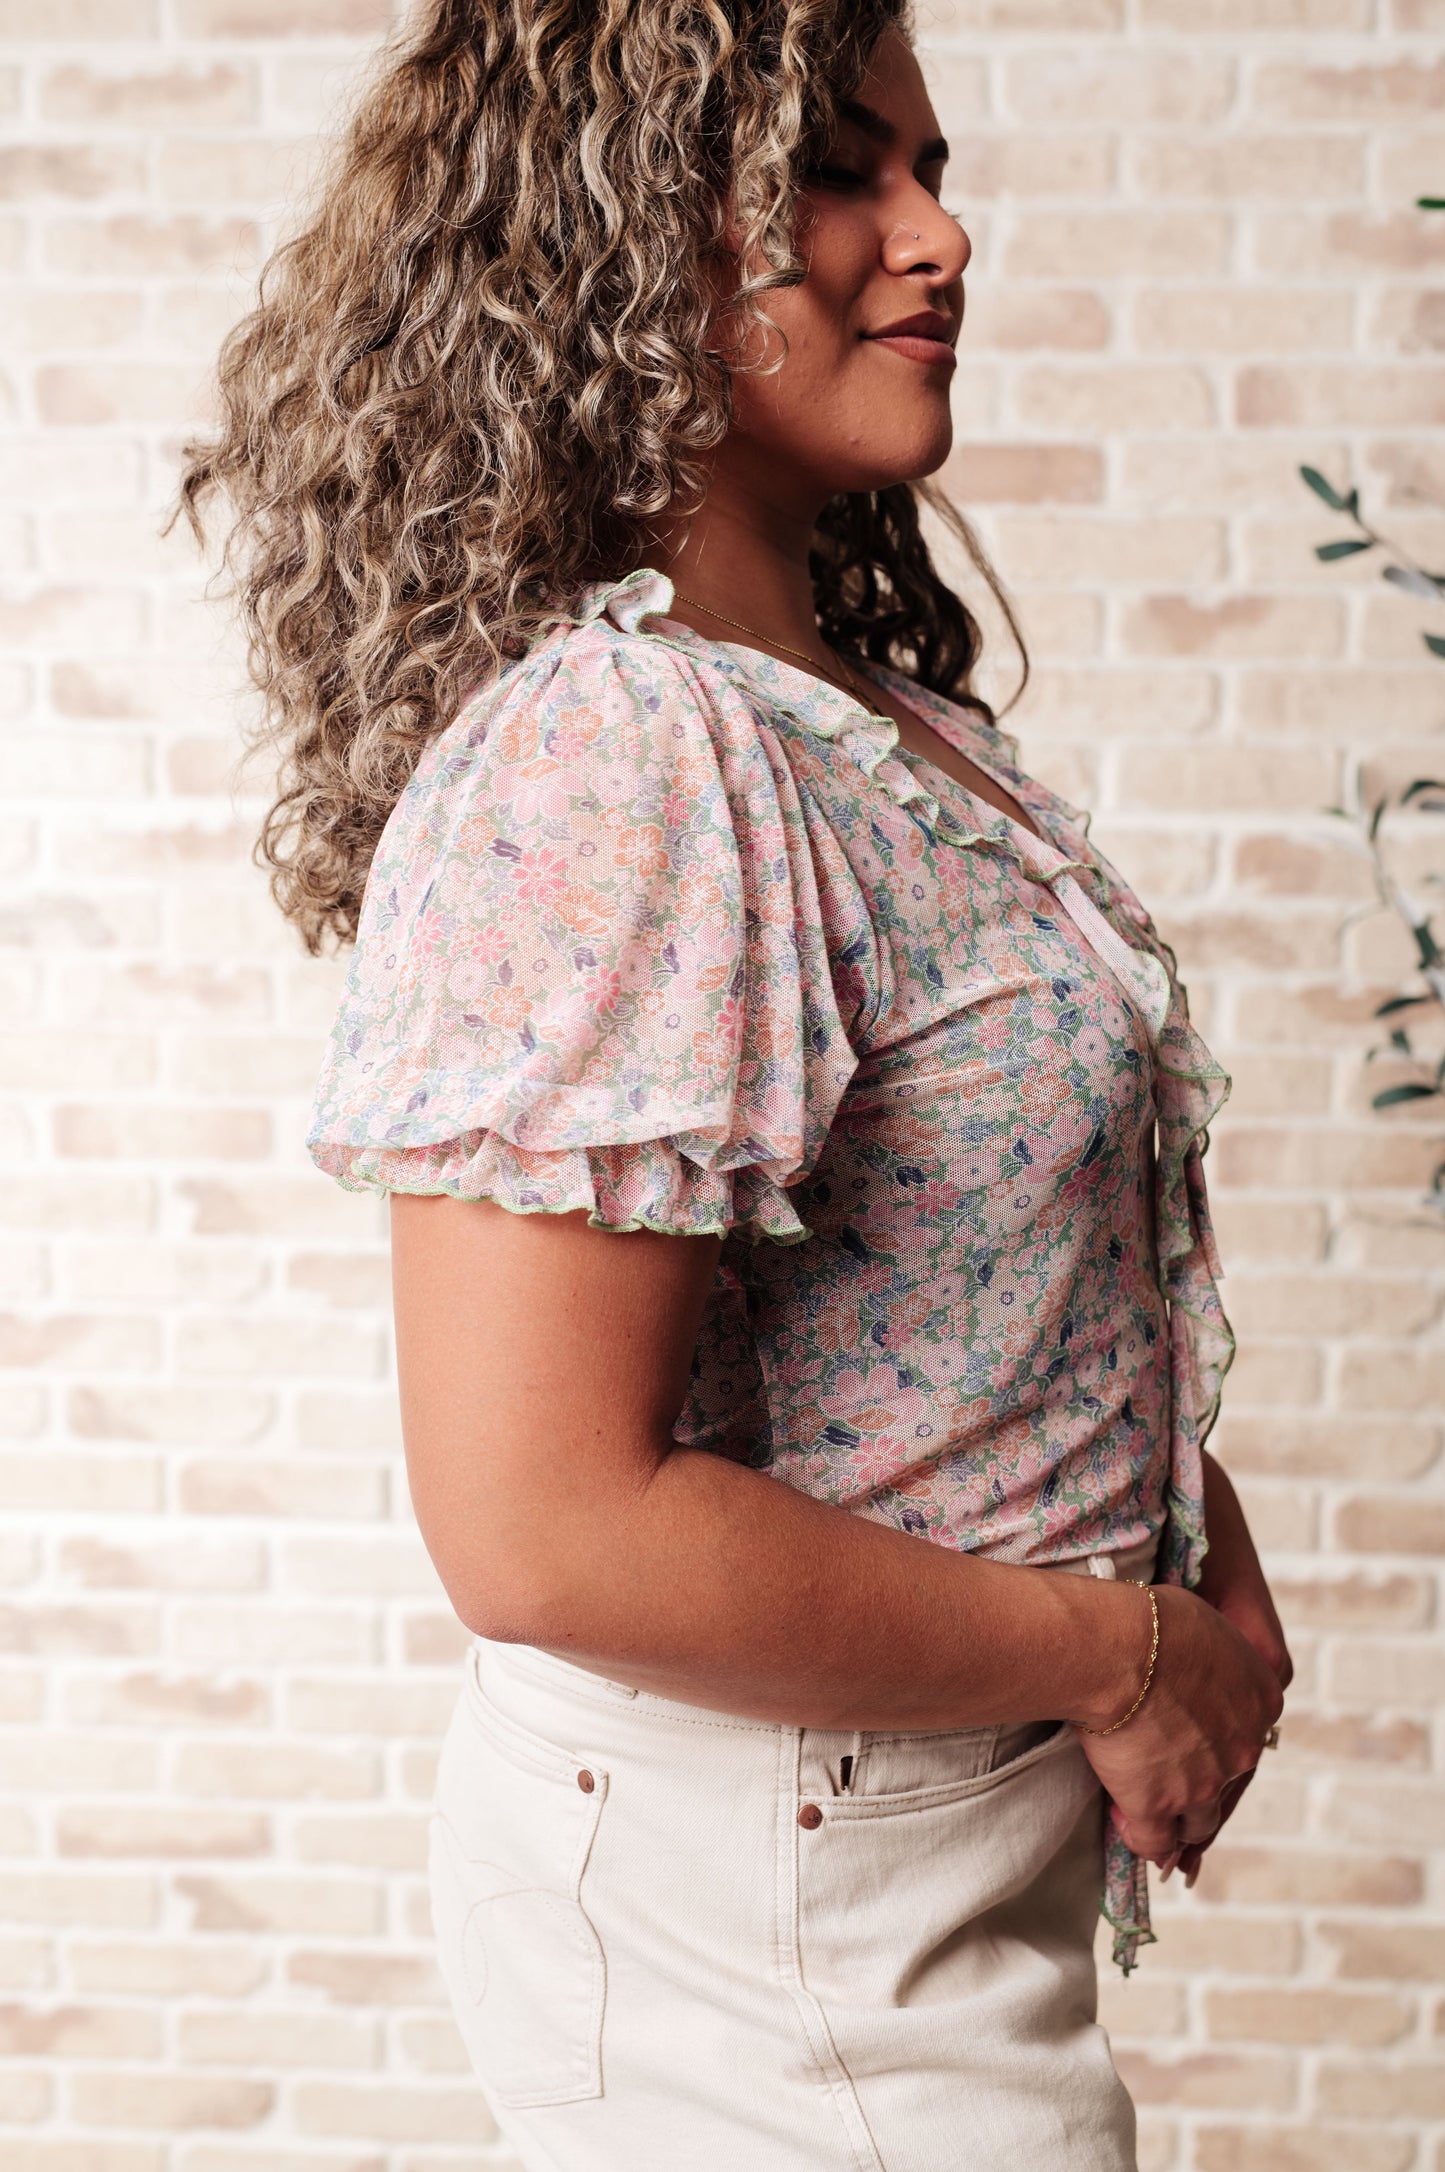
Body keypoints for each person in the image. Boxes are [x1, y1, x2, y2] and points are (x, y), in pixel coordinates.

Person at [181, 2, 1291, 2165]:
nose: (937, 235)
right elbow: (545, 1527)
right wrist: (1124, 1653)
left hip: (903, 1867)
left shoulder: (862, 726)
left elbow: (980, 1280)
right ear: (614, 237)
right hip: (770, 1922)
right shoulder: (623, 753)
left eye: (932, 170)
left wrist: (1193, 1561)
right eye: (837, 171)